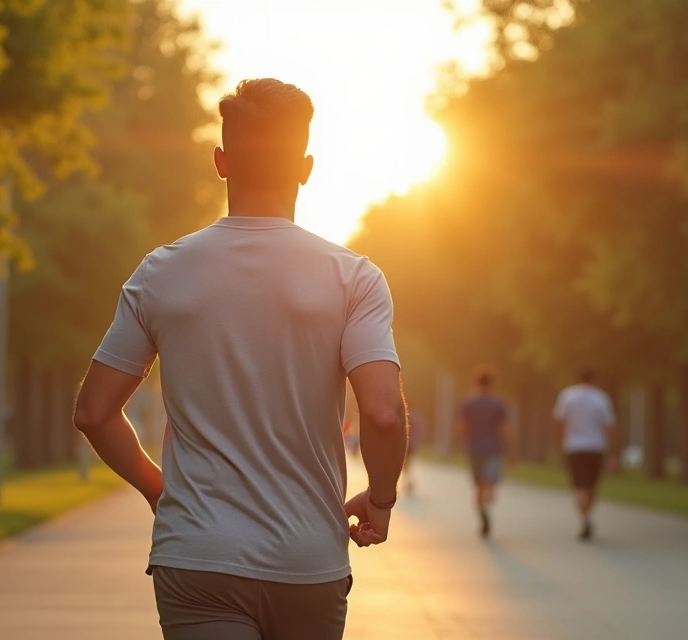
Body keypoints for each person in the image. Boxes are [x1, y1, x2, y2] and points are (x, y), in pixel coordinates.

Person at [72, 78, 408, 640]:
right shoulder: (353, 278)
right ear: (304, 167)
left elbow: (93, 413)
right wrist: (381, 498)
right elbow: (382, 413)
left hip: (198, 553)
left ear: (221, 162)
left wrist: (161, 491)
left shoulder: (160, 272)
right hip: (307, 560)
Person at [553, 368, 617, 541]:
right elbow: (609, 426)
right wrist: (613, 453)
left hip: (574, 446)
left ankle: (584, 518)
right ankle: (588, 517)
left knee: (580, 486)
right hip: (596, 447)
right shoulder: (601, 398)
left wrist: (560, 442)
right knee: (592, 485)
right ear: (593, 379)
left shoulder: (567, 396)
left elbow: (560, 421)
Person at [457, 366, 513, 538]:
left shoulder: (468, 403)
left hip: (474, 449)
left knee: (479, 485)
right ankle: (487, 509)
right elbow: (504, 429)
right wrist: (511, 450)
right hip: (494, 449)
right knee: (489, 483)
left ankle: (482, 513)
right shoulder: (498, 404)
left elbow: (461, 426)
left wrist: (463, 441)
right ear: (492, 384)